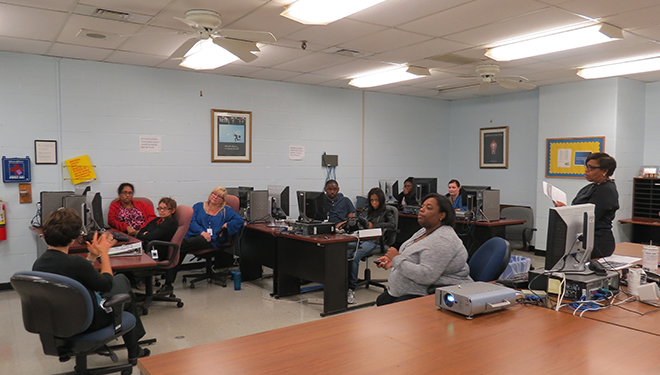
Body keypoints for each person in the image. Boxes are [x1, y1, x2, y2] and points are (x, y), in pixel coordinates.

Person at [32, 208, 150, 365]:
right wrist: (104, 254)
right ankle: (134, 350)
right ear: (74, 238)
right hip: (88, 321)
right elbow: (107, 284)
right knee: (123, 285)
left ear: (46, 235)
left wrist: (92, 256)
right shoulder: (76, 263)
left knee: (121, 285)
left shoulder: (38, 265)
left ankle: (135, 346)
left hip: (59, 322)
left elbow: (78, 277)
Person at [375, 193, 472, 306]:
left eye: (429, 208)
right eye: (422, 206)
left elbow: (426, 276)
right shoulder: (425, 231)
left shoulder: (442, 239)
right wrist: (393, 262)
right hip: (405, 291)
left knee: (386, 311)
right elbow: (411, 255)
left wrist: (397, 259)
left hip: (428, 294)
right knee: (381, 302)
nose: (422, 210)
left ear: (442, 215)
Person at [169, 187, 244, 283]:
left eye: (219, 196)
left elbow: (239, 220)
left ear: (223, 200)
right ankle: (169, 280)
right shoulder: (198, 206)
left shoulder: (225, 211)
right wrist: (202, 232)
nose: (215, 197)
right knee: (180, 247)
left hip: (213, 239)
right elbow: (191, 221)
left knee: (178, 247)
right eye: (214, 194)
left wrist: (227, 225)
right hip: (196, 235)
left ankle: (168, 280)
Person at [554, 152, 619, 258]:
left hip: (597, 242)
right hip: (584, 240)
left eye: (591, 168)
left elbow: (589, 217)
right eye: (586, 166)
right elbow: (579, 210)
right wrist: (565, 209)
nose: (586, 170)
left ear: (604, 171)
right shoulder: (592, 186)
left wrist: (567, 213)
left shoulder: (606, 190)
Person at [346, 187, 396, 304]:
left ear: (381, 200)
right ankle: (345, 282)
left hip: (375, 240)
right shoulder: (366, 210)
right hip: (361, 237)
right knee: (346, 251)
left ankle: (351, 288)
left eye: (376, 200)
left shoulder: (387, 211)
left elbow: (392, 225)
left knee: (356, 256)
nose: (374, 203)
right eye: (372, 200)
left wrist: (373, 225)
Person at [136, 197, 178, 292]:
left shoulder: (171, 222)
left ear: (172, 210)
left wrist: (146, 234)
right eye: (159, 208)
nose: (161, 211)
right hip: (150, 246)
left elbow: (152, 236)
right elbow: (141, 231)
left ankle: (143, 280)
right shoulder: (157, 220)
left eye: (165, 208)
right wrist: (145, 234)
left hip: (159, 250)